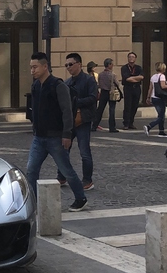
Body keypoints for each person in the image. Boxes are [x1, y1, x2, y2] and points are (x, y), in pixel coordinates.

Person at [26, 52, 88, 212]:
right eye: (31, 67)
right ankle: (33, 202)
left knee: (66, 170)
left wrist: (67, 134)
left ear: (45, 66)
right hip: (39, 138)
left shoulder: (58, 85)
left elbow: (67, 111)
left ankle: (80, 198)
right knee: (31, 169)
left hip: (56, 138)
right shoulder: (35, 86)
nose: (32, 70)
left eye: (35, 67)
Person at [57, 53, 98, 192]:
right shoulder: (67, 82)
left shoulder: (89, 80)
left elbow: (93, 98)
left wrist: (75, 103)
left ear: (79, 64)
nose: (68, 67)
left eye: (70, 64)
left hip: (83, 120)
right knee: (63, 149)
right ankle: (61, 176)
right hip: (69, 122)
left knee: (84, 151)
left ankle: (87, 180)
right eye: (66, 65)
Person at [92, 58, 122, 133]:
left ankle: (94, 126)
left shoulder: (100, 74)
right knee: (112, 110)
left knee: (100, 109)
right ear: (109, 65)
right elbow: (117, 84)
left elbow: (99, 83)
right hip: (111, 93)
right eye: (111, 64)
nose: (113, 65)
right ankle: (112, 127)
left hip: (103, 92)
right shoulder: (112, 75)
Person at [144, 62, 167, 138]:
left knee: (160, 115)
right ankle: (149, 126)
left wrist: (148, 97)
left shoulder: (153, 77)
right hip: (160, 97)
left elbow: (150, 88)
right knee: (161, 116)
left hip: (154, 97)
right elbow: (163, 86)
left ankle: (161, 131)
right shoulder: (162, 76)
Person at [121, 52, 144, 130]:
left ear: (135, 58)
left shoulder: (138, 68)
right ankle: (126, 123)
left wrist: (132, 78)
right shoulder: (124, 68)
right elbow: (126, 78)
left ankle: (131, 122)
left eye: (133, 57)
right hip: (128, 88)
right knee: (128, 106)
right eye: (130, 57)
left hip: (136, 88)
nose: (131, 58)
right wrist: (135, 79)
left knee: (135, 106)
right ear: (128, 58)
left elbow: (141, 77)